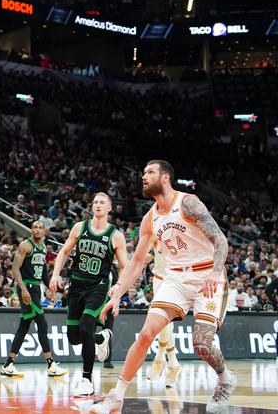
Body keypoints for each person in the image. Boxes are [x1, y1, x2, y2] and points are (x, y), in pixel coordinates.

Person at [90, 161, 234, 413]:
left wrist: (214, 272)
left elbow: (220, 240)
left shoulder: (188, 202)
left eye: (149, 172)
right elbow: (136, 262)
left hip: (207, 276)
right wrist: (117, 295)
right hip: (175, 278)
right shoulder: (150, 218)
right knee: (146, 334)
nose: (143, 177)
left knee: (201, 344)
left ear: (165, 177)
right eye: (143, 173)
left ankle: (224, 379)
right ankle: (117, 396)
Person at [50, 192, 128, 396]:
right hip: (76, 285)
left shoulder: (115, 235)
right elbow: (64, 252)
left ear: (109, 208)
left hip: (98, 286)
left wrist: (118, 286)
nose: (98, 205)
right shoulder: (80, 227)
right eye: (95, 202)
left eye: (102, 202)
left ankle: (86, 379)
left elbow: (125, 267)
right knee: (74, 337)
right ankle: (100, 339)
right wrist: (55, 275)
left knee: (85, 327)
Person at [2, 221, 66, 378]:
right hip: (27, 288)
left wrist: (49, 286)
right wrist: (22, 289)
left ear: (44, 232)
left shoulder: (43, 247)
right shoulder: (25, 245)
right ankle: (50, 363)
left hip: (36, 288)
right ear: (31, 230)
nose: (37, 230)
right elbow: (15, 268)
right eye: (35, 227)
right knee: (42, 324)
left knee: (24, 327)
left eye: (40, 228)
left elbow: (43, 270)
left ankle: (8, 364)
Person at [145, 242, 181, 386]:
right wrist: (146, 253)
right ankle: (173, 363)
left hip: (175, 281)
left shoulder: (181, 227)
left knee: (163, 319)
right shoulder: (155, 224)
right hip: (158, 279)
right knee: (166, 323)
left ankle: (160, 358)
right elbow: (145, 242)